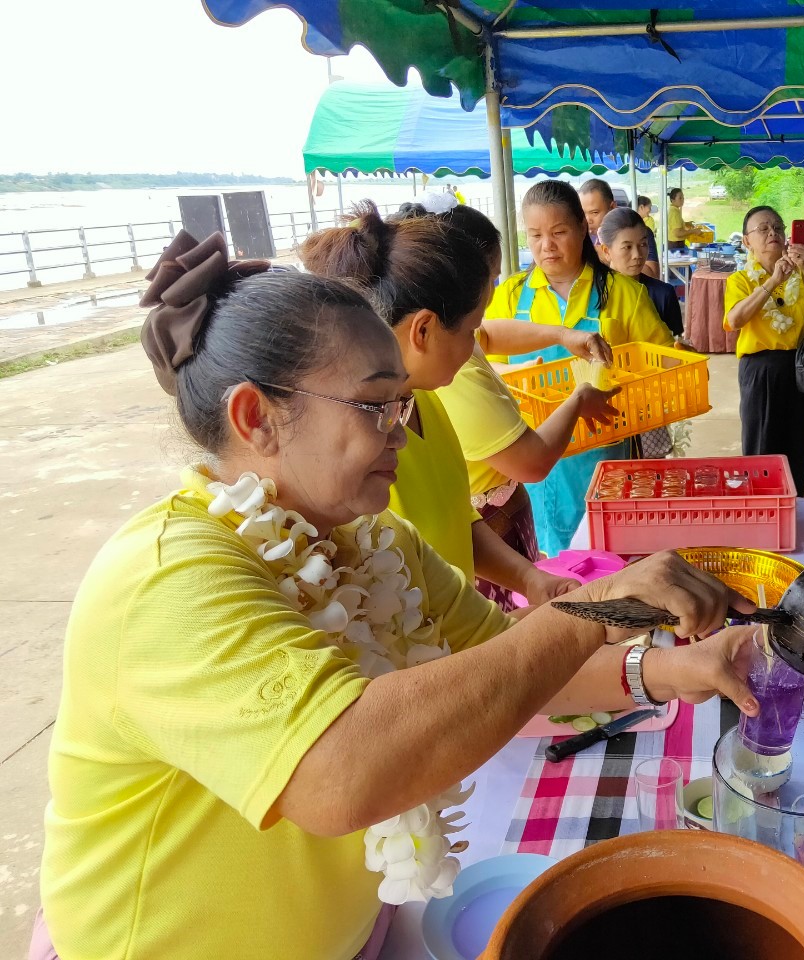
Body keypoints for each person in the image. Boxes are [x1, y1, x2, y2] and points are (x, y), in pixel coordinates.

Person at [31, 231, 763, 960]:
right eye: (375, 407)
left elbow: (514, 662)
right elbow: (338, 771)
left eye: (403, 406)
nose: (402, 437)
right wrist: (594, 609)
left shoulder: (371, 539)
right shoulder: (167, 579)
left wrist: (671, 669)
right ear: (256, 417)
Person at [300, 202, 616, 612]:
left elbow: (455, 514)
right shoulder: (351, 447)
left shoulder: (422, 396)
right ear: (424, 330)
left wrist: (529, 578)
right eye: (471, 330)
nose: (475, 346)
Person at [486, 181, 674, 555]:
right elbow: (484, 367)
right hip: (532, 458)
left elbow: (663, 367)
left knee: (607, 563)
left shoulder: (623, 293)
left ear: (582, 229)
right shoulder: (508, 296)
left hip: (605, 457)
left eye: (558, 233)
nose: (546, 246)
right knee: (545, 566)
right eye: (535, 235)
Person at [724, 204, 804, 493]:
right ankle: (759, 522)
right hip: (761, 371)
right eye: (763, 229)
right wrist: (773, 280)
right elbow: (735, 319)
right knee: (761, 448)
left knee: (797, 448)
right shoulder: (740, 280)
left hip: (801, 368)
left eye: (777, 227)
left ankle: (791, 516)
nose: (772, 232)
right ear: (747, 241)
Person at [597, 206, 684, 338]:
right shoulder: (595, 293)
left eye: (643, 244)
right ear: (606, 251)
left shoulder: (663, 294)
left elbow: (676, 345)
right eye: (627, 247)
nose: (637, 254)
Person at [579, 178, 659, 279]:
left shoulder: (637, 232)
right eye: (583, 213)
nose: (588, 219)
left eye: (594, 212)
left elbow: (653, 275)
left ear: (612, 207)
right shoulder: (580, 238)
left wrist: (608, 256)